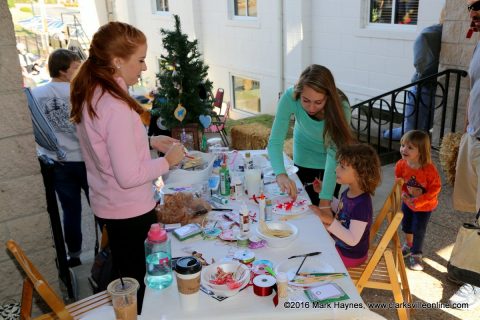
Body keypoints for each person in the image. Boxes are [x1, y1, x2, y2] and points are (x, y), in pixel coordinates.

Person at [70, 21, 184, 314]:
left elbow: (106, 150)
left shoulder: (94, 91)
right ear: (117, 61)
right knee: (140, 286)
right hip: (130, 211)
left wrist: (149, 141)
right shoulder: (114, 105)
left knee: (128, 276)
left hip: (110, 205)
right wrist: (167, 161)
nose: (144, 68)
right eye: (141, 60)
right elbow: (129, 175)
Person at [31, 48, 89, 268]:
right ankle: (106, 248)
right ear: (64, 71)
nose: (79, 71)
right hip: (83, 159)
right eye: (76, 67)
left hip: (56, 160)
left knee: (70, 209)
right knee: (100, 204)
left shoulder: (36, 94)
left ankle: (73, 255)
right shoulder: (80, 91)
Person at [267, 64, 354, 209]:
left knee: (326, 211)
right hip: (304, 156)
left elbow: (333, 155)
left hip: (332, 164)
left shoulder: (341, 107)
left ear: (328, 97)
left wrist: (325, 201)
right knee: (301, 208)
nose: (311, 108)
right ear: (299, 93)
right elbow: (275, 141)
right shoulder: (290, 97)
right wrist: (280, 174)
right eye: (306, 101)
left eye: (318, 102)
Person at [449, 0, 480, 309]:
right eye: (470, 6)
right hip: (476, 136)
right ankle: (472, 262)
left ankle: (476, 283)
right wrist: (469, 122)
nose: (472, 13)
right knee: (475, 207)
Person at [309, 143, 381, 268]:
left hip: (350, 255)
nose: (336, 169)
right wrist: (326, 195)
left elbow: (352, 240)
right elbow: (343, 208)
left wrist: (329, 221)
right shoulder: (349, 192)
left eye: (342, 167)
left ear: (360, 173)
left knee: (310, 254)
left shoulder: (362, 205)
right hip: (339, 245)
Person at [383, 8, 444, 140]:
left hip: (426, 84)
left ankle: (401, 137)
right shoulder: (433, 33)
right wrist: (422, 72)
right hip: (424, 83)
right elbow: (420, 57)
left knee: (416, 124)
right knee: (414, 123)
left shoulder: (433, 32)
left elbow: (420, 58)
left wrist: (422, 72)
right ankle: (390, 135)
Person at [394, 130, 441, 271]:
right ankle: (409, 245)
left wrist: (419, 201)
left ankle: (416, 254)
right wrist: (403, 193)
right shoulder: (401, 165)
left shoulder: (429, 169)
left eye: (410, 147)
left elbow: (435, 189)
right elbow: (399, 181)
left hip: (424, 206)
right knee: (406, 226)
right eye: (403, 145)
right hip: (408, 203)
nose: (404, 149)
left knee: (418, 230)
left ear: (421, 151)